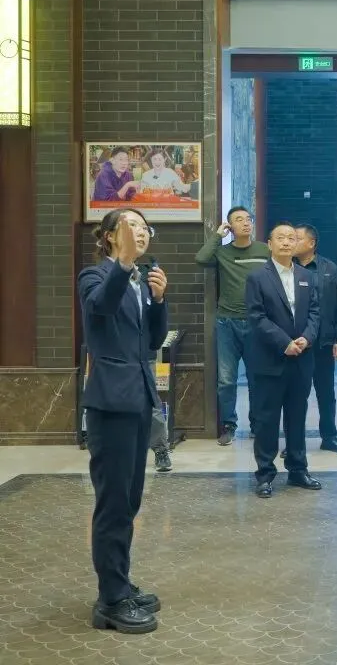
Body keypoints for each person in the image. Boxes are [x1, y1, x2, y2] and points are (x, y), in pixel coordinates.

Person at [79, 209, 169, 634]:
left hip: (138, 400)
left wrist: (159, 301)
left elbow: (152, 341)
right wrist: (125, 264)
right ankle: (110, 602)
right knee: (113, 503)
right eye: (131, 226)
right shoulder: (94, 277)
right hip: (111, 403)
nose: (141, 232)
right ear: (110, 236)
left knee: (129, 501)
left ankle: (120, 581)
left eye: (144, 227)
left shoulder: (139, 282)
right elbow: (101, 307)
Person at [245, 222, 323, 498]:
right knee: (267, 419)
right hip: (270, 359)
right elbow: (256, 317)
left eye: (292, 238)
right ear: (270, 244)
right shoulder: (257, 277)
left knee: (297, 417)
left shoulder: (306, 276)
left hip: (301, 359)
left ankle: (298, 470)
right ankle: (265, 474)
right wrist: (284, 342)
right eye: (281, 238)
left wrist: (306, 338)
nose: (287, 242)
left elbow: (315, 312)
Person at [195, 206, 271, 445]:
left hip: (257, 322)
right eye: (239, 219)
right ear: (230, 226)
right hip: (227, 323)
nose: (246, 223)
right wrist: (218, 235)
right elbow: (201, 258)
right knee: (226, 380)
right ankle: (228, 425)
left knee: (257, 378)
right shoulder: (223, 252)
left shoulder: (264, 250)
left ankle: (258, 425)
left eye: (249, 219)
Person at [293, 224, 337, 455]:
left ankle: (329, 437)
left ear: (312, 243)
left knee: (326, 394)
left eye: (297, 238)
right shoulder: (287, 267)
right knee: (296, 395)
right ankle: (294, 441)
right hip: (296, 343)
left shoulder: (329, 268)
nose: (292, 242)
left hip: (323, 343)